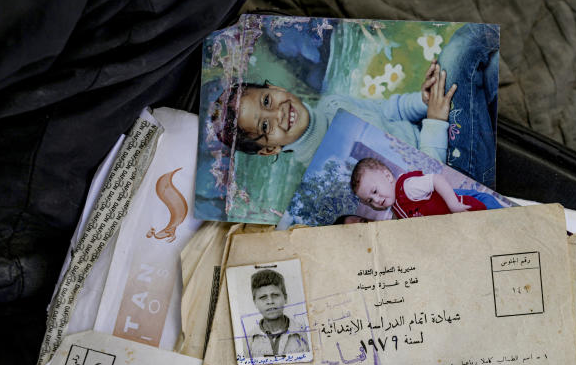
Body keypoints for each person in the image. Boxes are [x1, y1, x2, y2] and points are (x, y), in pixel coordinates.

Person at [215, 23, 500, 187]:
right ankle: (484, 171)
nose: (278, 113)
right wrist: (436, 121)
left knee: (486, 70)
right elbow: (419, 184)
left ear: (275, 88)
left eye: (267, 101)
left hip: (440, 135)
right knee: (459, 50)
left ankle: (484, 144)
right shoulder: (329, 164)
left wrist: (423, 101)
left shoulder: (331, 104)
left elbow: (391, 110)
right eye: (265, 126)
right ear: (269, 149)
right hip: (450, 172)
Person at [349, 158, 503, 220]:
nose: (376, 201)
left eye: (374, 191)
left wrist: (453, 204)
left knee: (491, 212)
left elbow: (436, 179)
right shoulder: (396, 210)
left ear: (388, 176)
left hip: (463, 208)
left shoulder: (408, 187)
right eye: (370, 201)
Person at [245, 269, 309, 359]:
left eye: (275, 295)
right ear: (255, 302)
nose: (270, 301)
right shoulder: (248, 340)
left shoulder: (304, 334)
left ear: (285, 298)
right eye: (263, 297)